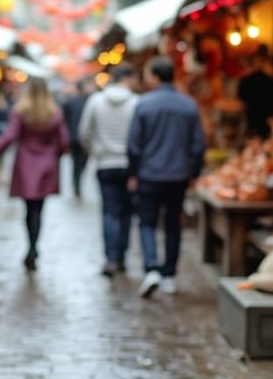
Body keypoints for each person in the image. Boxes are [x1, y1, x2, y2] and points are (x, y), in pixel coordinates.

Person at [128, 56, 206, 298]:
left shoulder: (144, 104)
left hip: (149, 173)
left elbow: (134, 145)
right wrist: (193, 172)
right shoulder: (189, 105)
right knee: (173, 224)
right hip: (178, 174)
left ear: (154, 76)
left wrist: (133, 172)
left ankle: (151, 268)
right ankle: (169, 274)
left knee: (147, 222)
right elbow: (198, 144)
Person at [0, 77, 69, 271]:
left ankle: (30, 247)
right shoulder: (54, 112)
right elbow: (63, 141)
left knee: (29, 210)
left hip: (26, 164)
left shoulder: (20, 111)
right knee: (39, 209)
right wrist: (55, 154)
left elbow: (9, 136)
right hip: (47, 165)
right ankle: (33, 247)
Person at [79, 65, 139, 277]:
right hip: (129, 165)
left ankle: (111, 258)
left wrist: (95, 150)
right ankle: (121, 256)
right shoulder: (135, 102)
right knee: (126, 213)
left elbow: (84, 133)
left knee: (109, 211)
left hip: (104, 163)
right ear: (128, 78)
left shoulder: (96, 101)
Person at [237, 44, 273, 138]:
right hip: (266, 124)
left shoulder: (246, 80)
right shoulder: (270, 81)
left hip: (252, 123)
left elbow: (241, 103)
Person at [61, 80, 90, 198]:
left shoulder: (88, 101)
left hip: (76, 137)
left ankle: (76, 181)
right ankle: (76, 182)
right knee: (78, 162)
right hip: (76, 138)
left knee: (79, 162)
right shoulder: (75, 102)